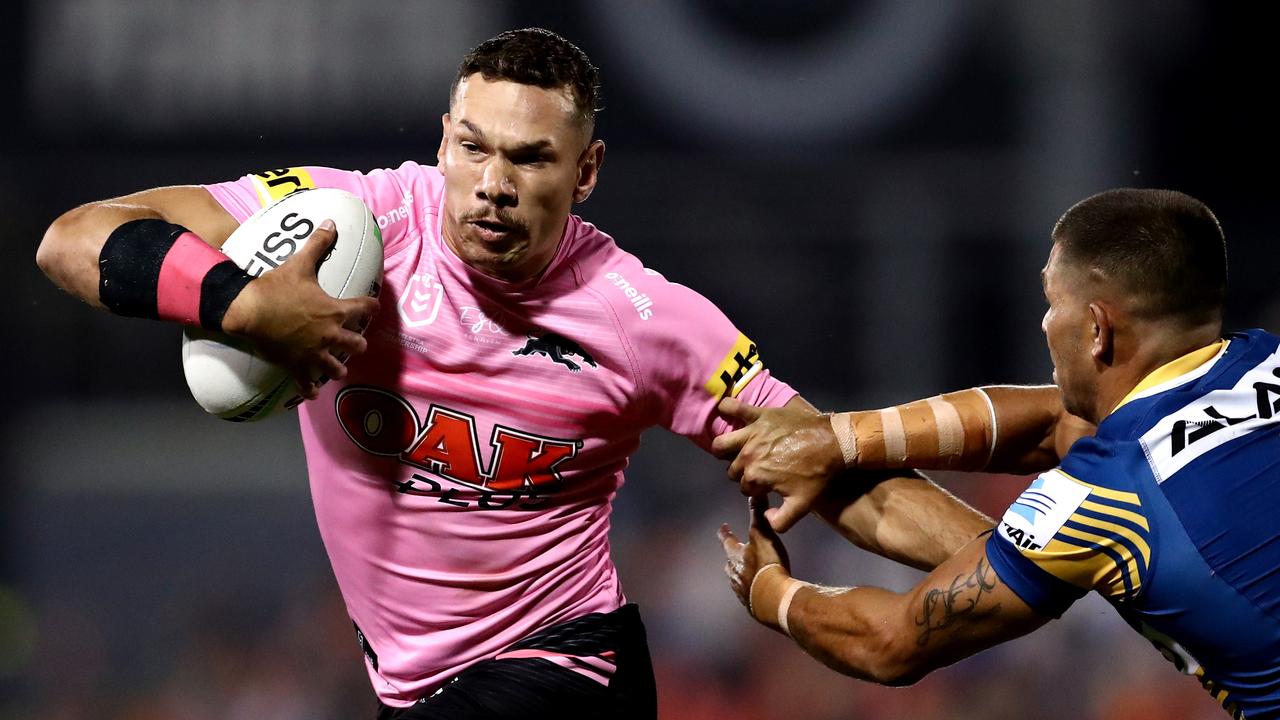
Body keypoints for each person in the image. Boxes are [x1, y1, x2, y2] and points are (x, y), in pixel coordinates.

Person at [36, 28, 990, 719]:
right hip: (410, 689)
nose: (494, 182)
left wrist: (1031, 555)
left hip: (564, 672)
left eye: (532, 158)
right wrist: (240, 307)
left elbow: (831, 472)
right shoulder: (346, 228)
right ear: (444, 138)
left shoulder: (646, 320)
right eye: (475, 147)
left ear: (587, 172)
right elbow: (73, 240)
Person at [716, 188, 1280, 719]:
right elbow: (1058, 419)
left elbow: (890, 642)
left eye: (1051, 302)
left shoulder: (1099, 497)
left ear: (1096, 327)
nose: (1044, 323)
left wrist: (770, 591)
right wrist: (836, 438)